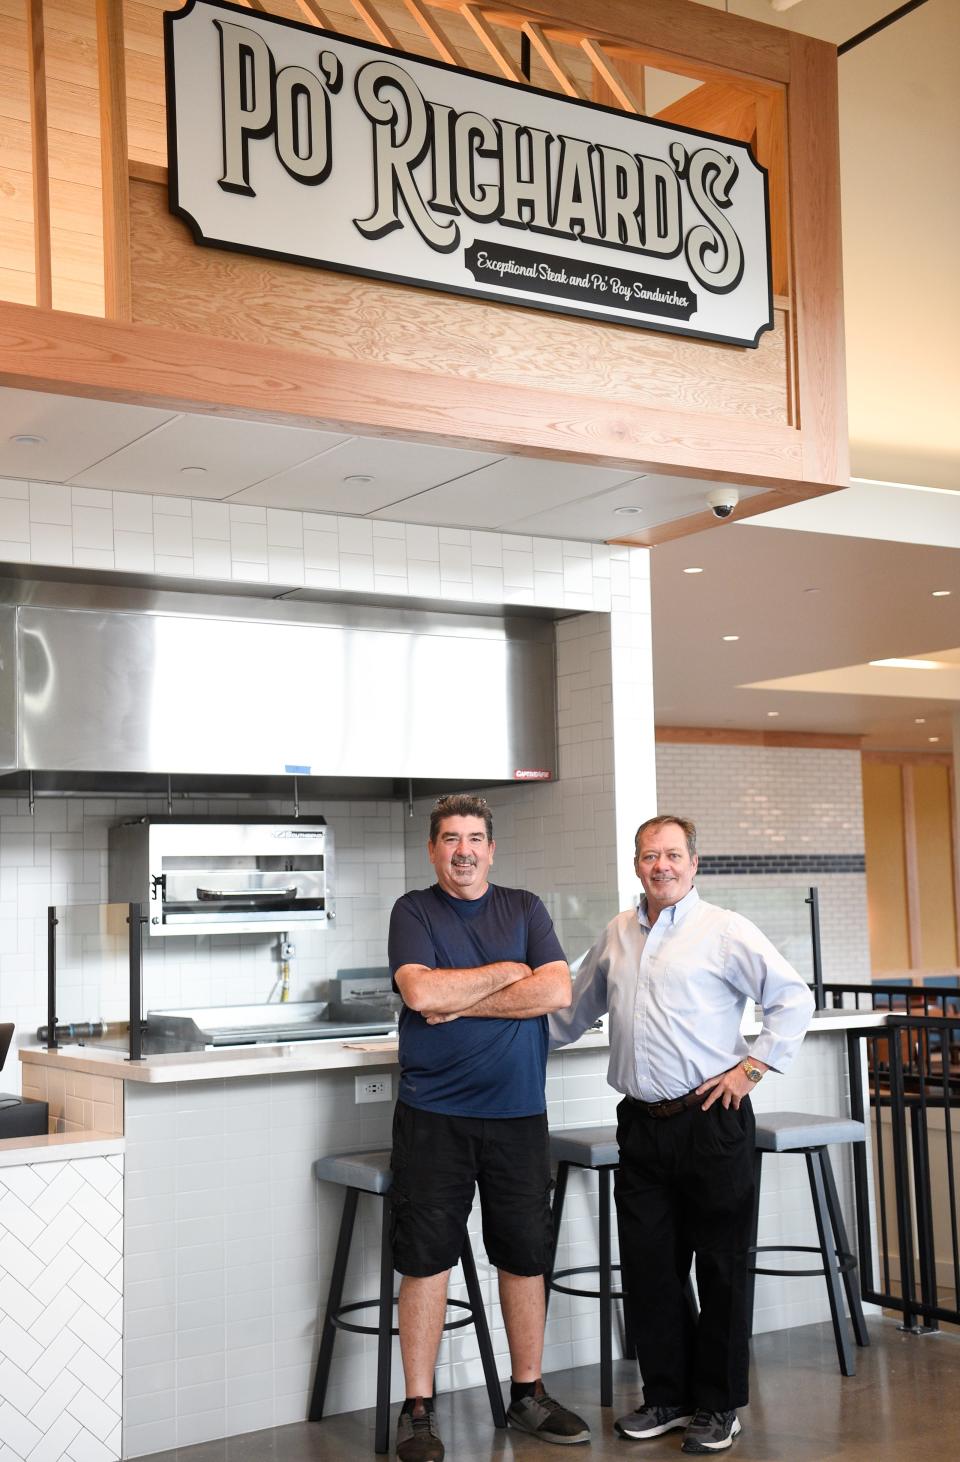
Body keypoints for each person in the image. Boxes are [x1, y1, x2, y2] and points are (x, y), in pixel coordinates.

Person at [549, 814, 815, 1456]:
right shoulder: (617, 932)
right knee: (651, 1270)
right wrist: (490, 1023)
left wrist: (753, 1067)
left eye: (672, 855)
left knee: (721, 1269)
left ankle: (718, 1406)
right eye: (649, 856)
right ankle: (667, 1397)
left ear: (694, 863)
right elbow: (569, 1015)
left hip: (711, 1123)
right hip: (641, 1125)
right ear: (636, 864)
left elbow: (793, 998)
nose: (660, 866)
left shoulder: (723, 930)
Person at [388, 793, 590, 1462]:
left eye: (475, 838)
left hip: (517, 1114)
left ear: (492, 848)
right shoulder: (413, 911)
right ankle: (418, 1410)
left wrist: (465, 994)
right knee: (425, 1260)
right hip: (433, 1116)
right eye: (450, 838)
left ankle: (526, 1392)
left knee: (524, 1255)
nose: (463, 850)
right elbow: (421, 994)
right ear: (433, 849)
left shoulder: (525, 908)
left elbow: (557, 990)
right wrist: (509, 974)